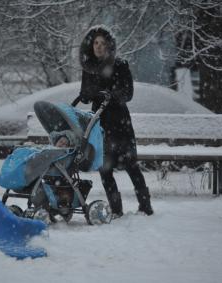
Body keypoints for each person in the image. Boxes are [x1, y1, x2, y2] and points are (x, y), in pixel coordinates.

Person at [78, 25, 153, 217]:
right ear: (91, 46)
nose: (99, 47)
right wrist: (85, 96)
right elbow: (86, 93)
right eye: (95, 43)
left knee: (130, 165)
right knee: (105, 168)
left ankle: (145, 206)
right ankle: (116, 209)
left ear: (109, 45)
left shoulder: (120, 65)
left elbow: (128, 93)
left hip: (119, 123)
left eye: (103, 43)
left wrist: (111, 95)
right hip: (100, 124)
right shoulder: (89, 68)